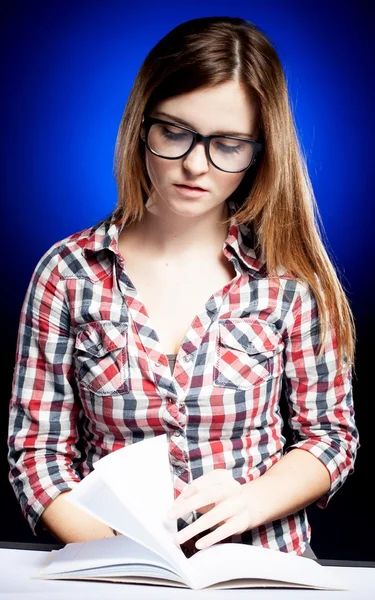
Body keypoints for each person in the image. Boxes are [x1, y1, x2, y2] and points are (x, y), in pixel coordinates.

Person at [8, 16, 358, 559]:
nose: (195, 165)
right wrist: (130, 557)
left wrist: (252, 501)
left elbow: (330, 439)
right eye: (174, 131)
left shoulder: (291, 281)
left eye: (229, 144)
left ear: (261, 151)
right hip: (114, 573)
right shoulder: (67, 273)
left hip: (263, 571)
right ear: (140, 125)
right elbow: (37, 456)